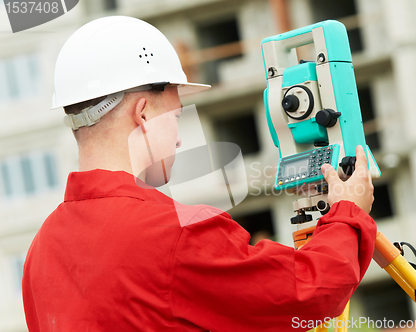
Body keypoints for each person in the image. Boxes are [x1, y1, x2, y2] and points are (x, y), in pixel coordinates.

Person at [22, 16, 377, 332]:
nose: (178, 139)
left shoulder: (42, 252)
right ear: (143, 114)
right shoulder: (172, 233)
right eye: (175, 118)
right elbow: (309, 293)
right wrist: (349, 213)